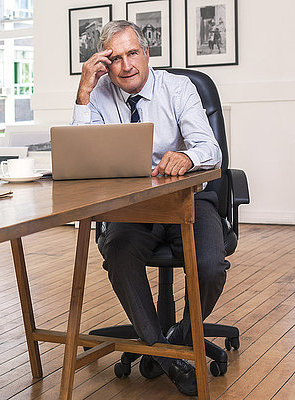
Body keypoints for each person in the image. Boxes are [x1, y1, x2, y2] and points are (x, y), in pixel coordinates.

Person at [72, 20, 228, 397]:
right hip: (130, 207)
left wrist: (188, 158)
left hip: (185, 199)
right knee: (120, 254)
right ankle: (167, 355)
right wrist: (82, 96)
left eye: (133, 54)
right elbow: (81, 157)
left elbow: (211, 149)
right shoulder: (98, 93)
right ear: (104, 63)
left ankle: (169, 341)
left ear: (147, 53)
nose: (126, 65)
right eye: (116, 58)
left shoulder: (178, 88)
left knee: (209, 267)